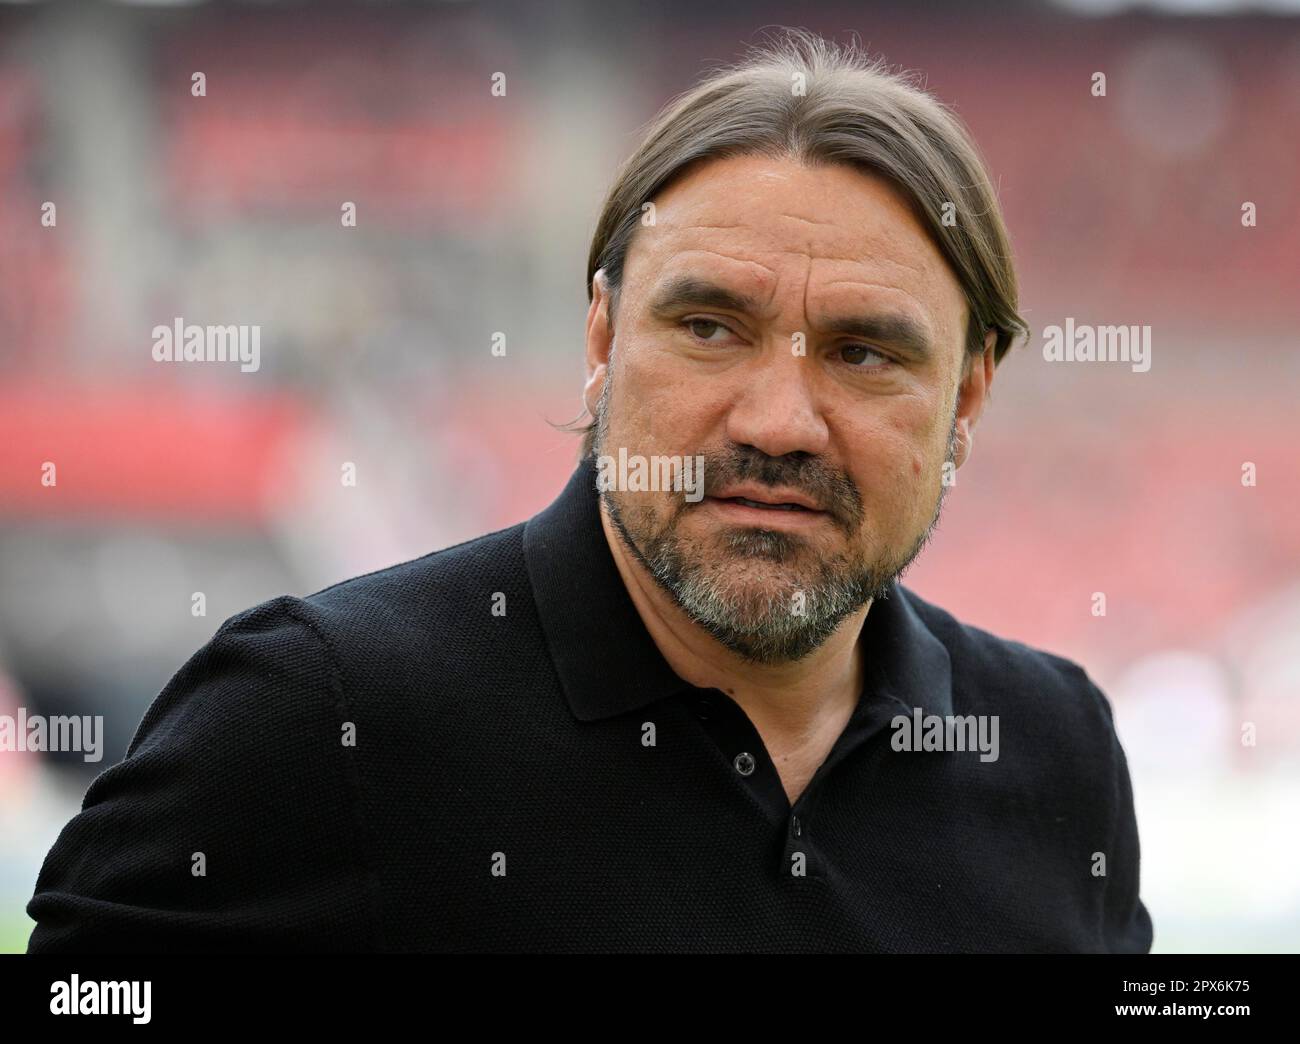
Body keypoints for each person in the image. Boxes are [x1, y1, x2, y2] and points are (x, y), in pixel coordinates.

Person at [27, 29, 1152, 953]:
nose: (776, 422)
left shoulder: (1055, 750)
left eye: (864, 352)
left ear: (967, 394)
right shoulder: (315, 712)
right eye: (709, 327)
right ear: (604, 339)